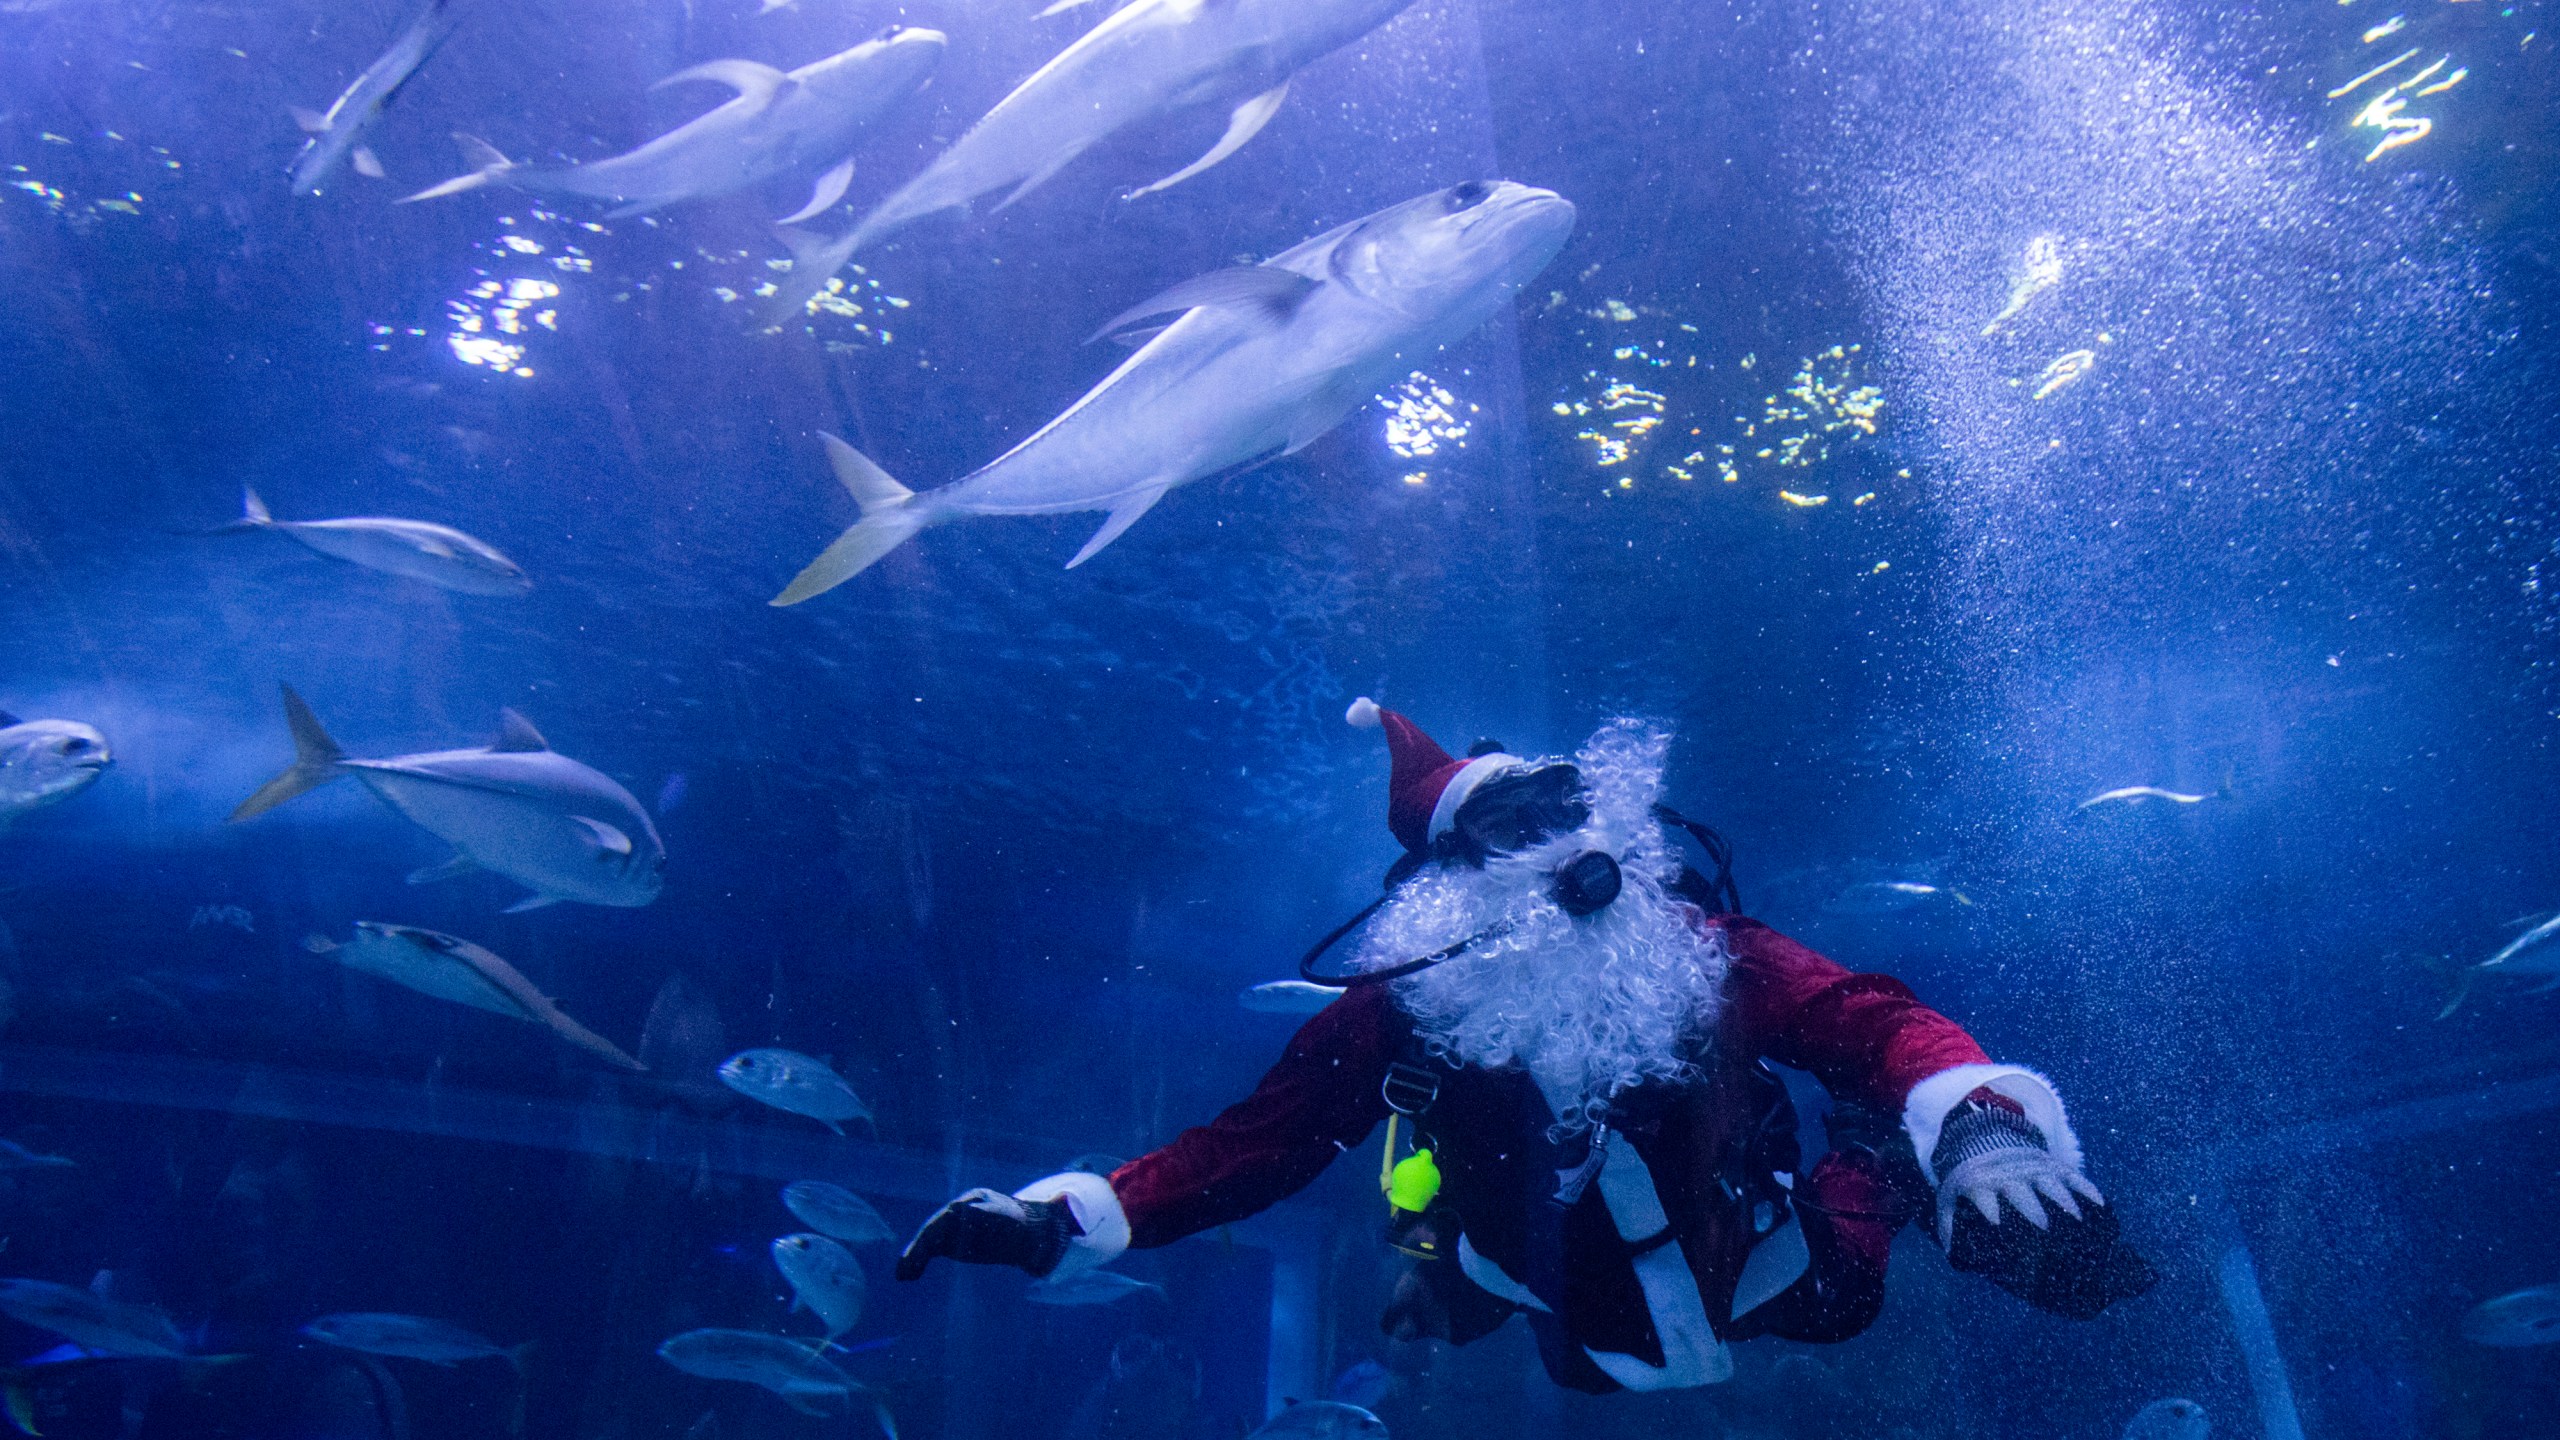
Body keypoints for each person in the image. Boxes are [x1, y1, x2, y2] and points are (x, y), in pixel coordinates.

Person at [897, 701, 2154, 1393]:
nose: (1554, 841)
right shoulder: (1391, 1010)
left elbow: (1864, 1019)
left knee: (1855, 1274)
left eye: (1564, 807)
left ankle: (1924, 1182)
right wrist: (1066, 1219)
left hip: (1783, 1265)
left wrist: (1981, 1125)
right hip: (1571, 1320)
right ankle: (1439, 1271)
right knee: (1519, 1337)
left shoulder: (1705, 950)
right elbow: (1254, 1149)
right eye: (1509, 824)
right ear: (1438, 881)